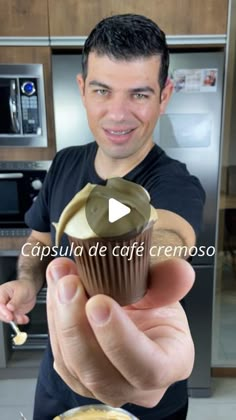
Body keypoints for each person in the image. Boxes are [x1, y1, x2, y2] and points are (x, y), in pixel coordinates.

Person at [0, 14, 205, 420]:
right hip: (58, 380)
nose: (117, 114)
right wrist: (26, 282)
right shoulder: (64, 164)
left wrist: (148, 258)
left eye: (139, 95)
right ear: (82, 90)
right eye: (102, 90)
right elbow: (41, 239)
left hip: (144, 391)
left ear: (164, 96)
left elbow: (169, 235)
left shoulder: (176, 183)